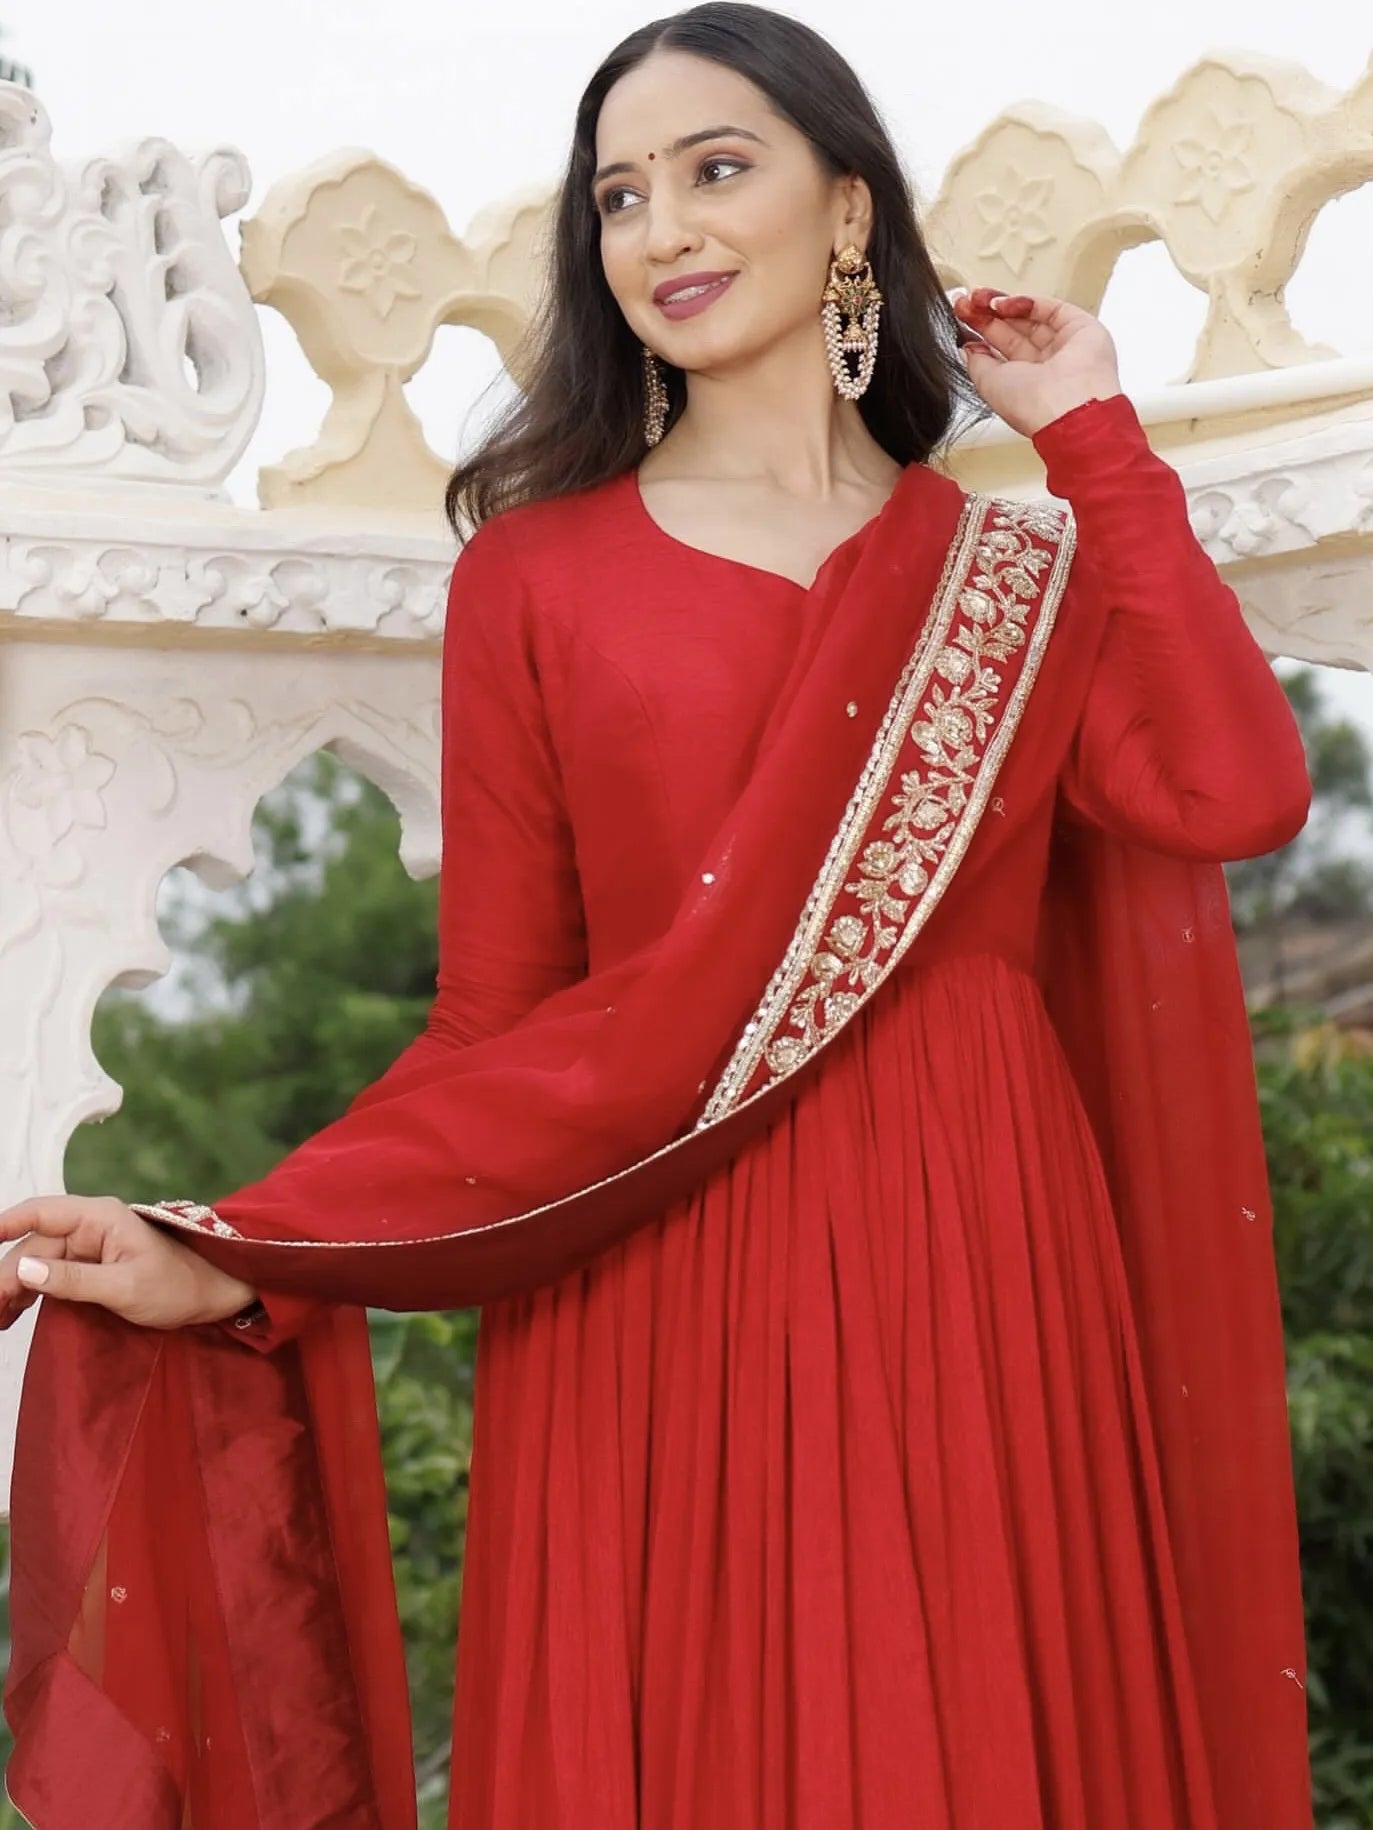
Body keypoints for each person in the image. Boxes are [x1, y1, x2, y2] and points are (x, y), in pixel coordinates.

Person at [0, 5, 1315, 1826]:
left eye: (717, 171)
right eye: (619, 197)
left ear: (847, 209)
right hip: (653, 1266)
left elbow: (1232, 788)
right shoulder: (537, 576)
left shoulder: (1006, 577)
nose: (663, 230)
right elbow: (496, 1026)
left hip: (974, 1259)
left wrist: (1091, 438)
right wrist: (252, 1245)